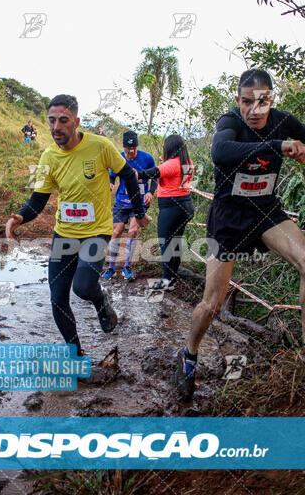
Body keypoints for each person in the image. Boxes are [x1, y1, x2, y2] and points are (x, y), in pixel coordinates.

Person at [175, 68, 305, 401]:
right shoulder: (229, 122)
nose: (255, 110)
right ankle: (189, 354)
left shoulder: (283, 120)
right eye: (247, 102)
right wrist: (279, 145)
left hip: (267, 214)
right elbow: (221, 152)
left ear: (271, 99)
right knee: (212, 303)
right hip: (230, 219)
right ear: (238, 100)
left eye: (262, 102)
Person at [6, 94, 151, 357]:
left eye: (63, 120)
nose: (56, 127)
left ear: (76, 121)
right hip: (65, 234)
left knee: (83, 287)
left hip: (97, 231)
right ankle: (76, 356)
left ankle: (101, 301)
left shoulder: (100, 146)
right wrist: (20, 217)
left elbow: (128, 174)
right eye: (51, 121)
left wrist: (138, 212)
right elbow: (38, 200)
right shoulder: (48, 156)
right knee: (57, 298)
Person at [137, 134, 195, 290]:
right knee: (175, 242)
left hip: (171, 208)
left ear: (169, 148)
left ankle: (166, 281)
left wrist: (135, 174)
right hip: (186, 206)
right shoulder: (188, 163)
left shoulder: (171, 164)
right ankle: (172, 278)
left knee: (166, 244)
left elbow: (153, 172)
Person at [102, 130, 157, 281]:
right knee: (116, 232)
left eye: (134, 149)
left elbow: (155, 177)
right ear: (124, 147)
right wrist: (111, 184)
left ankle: (127, 267)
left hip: (139, 202)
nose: (131, 152)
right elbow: (112, 176)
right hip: (121, 201)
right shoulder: (118, 157)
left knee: (133, 232)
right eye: (128, 149)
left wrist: (150, 193)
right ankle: (111, 268)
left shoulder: (147, 158)